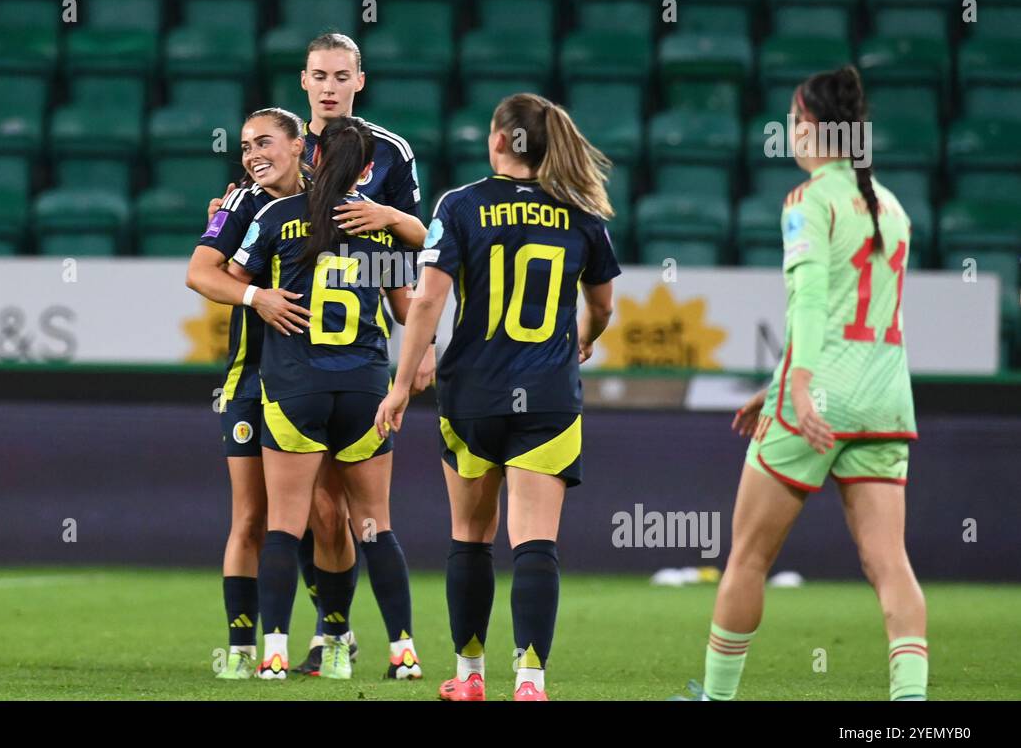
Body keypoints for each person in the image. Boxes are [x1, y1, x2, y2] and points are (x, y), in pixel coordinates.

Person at [676, 66, 925, 701]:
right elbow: (855, 312)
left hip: (818, 401)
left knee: (749, 557)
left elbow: (813, 303)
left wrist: (800, 387)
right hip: (885, 400)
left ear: (811, 127)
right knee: (889, 564)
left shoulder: (807, 201)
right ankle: (912, 714)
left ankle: (717, 698)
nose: (788, 130)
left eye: (792, 119)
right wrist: (779, 379)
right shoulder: (891, 207)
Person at [377, 93, 620, 701]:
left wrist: (402, 384)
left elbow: (428, 300)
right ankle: (531, 682)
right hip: (548, 395)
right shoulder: (582, 213)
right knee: (535, 541)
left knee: (470, 536)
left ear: (497, 141)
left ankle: (469, 677)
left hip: (473, 395)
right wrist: (582, 341)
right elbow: (604, 305)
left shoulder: (458, 205)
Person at [209, 32, 432, 675]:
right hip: (296, 362)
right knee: (321, 513)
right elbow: (213, 258)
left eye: (341, 75)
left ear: (359, 80)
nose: (329, 85)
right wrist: (250, 278)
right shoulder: (276, 154)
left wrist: (385, 216)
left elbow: (421, 241)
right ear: (303, 82)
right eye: (318, 75)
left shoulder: (386, 154)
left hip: (316, 367)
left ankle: (309, 639)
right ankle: (361, 641)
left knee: (321, 513)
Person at [185, 107, 312, 679]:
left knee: (327, 515)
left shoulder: (332, 200)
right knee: (251, 517)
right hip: (253, 376)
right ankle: (240, 646)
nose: (253, 154)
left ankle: (336, 633)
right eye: (244, 146)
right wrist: (256, 298)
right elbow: (200, 273)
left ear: (298, 144)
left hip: (320, 376)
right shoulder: (240, 203)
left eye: (265, 142)